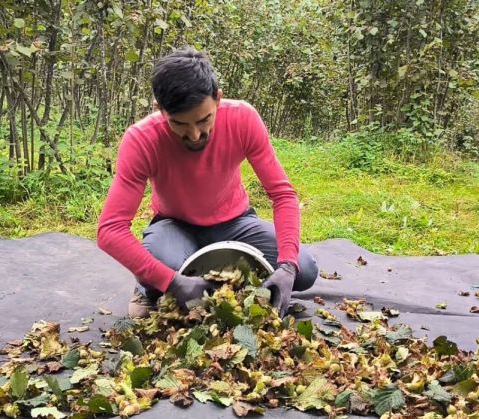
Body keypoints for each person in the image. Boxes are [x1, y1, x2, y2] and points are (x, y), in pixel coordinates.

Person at [97, 48, 318, 318]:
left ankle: (208, 274)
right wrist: (172, 282)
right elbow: (110, 230)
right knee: (157, 268)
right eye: (179, 124)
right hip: (176, 227)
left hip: (237, 223)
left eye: (204, 120)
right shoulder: (142, 140)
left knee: (303, 271)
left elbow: (282, 194)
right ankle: (148, 290)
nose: (194, 134)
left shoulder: (243, 119)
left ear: (218, 99)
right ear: (159, 109)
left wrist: (286, 267)